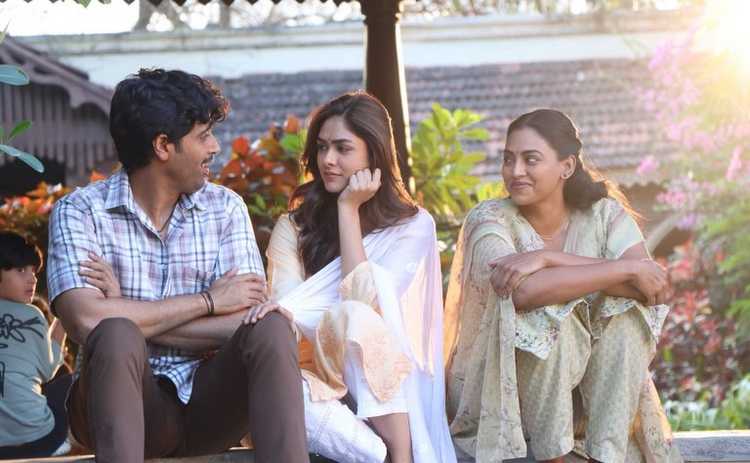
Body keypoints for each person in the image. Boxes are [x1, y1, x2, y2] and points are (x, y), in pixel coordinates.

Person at [46, 68, 308, 463]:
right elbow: (86, 321)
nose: (215, 147)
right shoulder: (80, 212)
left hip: (209, 407)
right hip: (120, 407)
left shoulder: (225, 208)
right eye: (203, 135)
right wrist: (208, 301)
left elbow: (244, 322)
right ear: (163, 145)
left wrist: (127, 309)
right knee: (116, 335)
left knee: (270, 326)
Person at [444, 109, 682, 463]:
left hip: (587, 403)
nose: (515, 171)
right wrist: (624, 270)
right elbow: (522, 293)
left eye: (530, 159)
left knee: (627, 318)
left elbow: (651, 289)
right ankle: (552, 457)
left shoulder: (604, 215)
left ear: (566, 167)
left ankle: (605, 456)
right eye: (508, 159)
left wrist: (548, 259)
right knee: (557, 315)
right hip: (506, 396)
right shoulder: (490, 220)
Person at [244, 91, 457, 463]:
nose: (328, 160)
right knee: (277, 388)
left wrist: (348, 211)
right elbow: (287, 311)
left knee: (354, 317)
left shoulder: (412, 226)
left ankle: (398, 452)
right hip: (312, 377)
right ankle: (389, 457)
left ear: (373, 155)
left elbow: (364, 304)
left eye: (343, 149)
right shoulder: (294, 226)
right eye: (322, 147)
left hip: (383, 382)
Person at [0, 231, 71, 458]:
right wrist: (63, 317)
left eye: (34, 271)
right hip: (39, 440)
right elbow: (49, 370)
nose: (32, 279)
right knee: (68, 381)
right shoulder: (31, 315)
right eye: (21, 270)